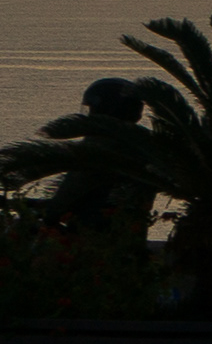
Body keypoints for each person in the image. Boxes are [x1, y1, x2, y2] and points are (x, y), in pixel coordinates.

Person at [40, 76, 154, 239]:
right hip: (131, 234)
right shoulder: (144, 142)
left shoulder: (99, 144)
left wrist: (51, 213)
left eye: (93, 108)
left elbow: (75, 184)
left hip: (91, 235)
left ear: (106, 109)